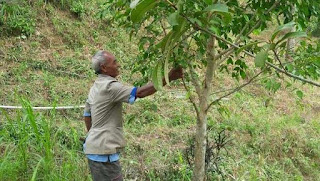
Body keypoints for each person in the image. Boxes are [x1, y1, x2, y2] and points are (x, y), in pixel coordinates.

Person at [83, 50, 183, 181]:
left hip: (94, 150)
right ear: (104, 68)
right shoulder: (110, 87)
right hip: (104, 154)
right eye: (114, 62)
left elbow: (87, 115)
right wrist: (168, 76)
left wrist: (94, 135)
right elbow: (140, 93)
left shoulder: (96, 86)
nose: (118, 65)